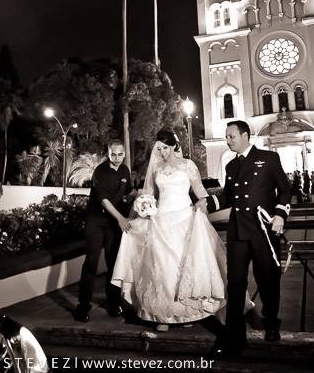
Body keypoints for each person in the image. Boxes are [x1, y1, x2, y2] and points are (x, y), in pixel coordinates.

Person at [112, 130, 239, 331]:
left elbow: (200, 191)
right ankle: (163, 316)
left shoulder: (188, 165)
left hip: (186, 220)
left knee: (186, 266)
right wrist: (140, 210)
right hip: (161, 222)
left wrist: (203, 205)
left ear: (173, 145)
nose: (162, 152)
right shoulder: (156, 169)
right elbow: (149, 195)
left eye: (165, 147)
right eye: (159, 148)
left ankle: (188, 313)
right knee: (163, 267)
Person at [206, 120, 291, 357]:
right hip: (238, 232)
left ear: (245, 135)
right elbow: (228, 196)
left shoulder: (268, 158)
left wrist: (280, 214)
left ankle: (271, 323)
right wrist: (206, 204)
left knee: (267, 279)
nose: (228, 141)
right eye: (226, 137)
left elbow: (285, 189)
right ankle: (235, 336)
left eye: (231, 136)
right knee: (235, 283)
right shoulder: (231, 166)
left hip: (263, 230)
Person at [74, 140, 133, 322]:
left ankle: (114, 304)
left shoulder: (125, 171)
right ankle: (83, 307)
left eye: (120, 154)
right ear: (108, 153)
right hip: (96, 221)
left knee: (113, 263)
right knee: (91, 263)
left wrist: (143, 201)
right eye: (113, 154)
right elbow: (104, 201)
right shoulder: (100, 171)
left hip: (113, 223)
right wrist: (121, 218)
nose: (117, 158)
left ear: (124, 154)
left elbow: (128, 192)